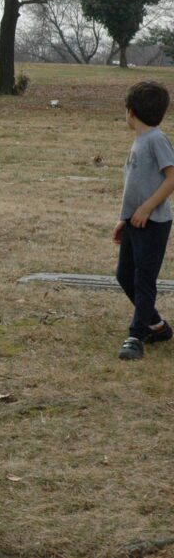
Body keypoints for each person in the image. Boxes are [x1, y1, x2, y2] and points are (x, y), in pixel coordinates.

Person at [113, 82, 174, 361]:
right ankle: (157, 326)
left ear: (131, 111)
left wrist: (148, 208)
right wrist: (124, 220)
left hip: (154, 223)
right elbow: (134, 188)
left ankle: (137, 336)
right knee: (125, 275)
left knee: (143, 279)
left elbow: (172, 178)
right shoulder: (139, 141)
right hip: (134, 223)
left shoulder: (156, 140)